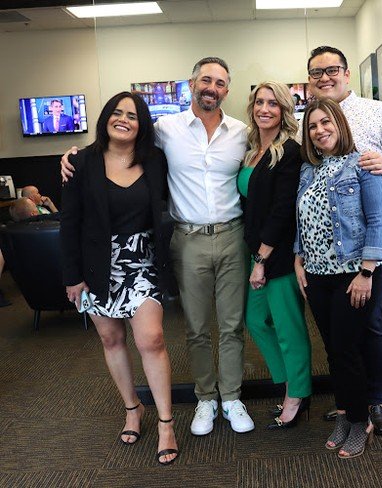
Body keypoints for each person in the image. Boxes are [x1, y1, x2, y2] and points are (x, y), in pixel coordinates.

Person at [61, 57, 254, 437]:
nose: (211, 88)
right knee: (196, 327)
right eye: (205, 80)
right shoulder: (166, 130)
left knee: (232, 325)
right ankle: (205, 398)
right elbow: (114, 143)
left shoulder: (241, 132)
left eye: (220, 82)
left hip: (232, 234)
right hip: (187, 239)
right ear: (192, 84)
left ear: (227, 90)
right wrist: (72, 156)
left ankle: (231, 397)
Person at [303, 46, 382, 434]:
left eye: (332, 70)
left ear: (347, 73)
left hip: (376, 240)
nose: (324, 77)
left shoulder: (378, 112)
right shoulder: (310, 121)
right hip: (329, 252)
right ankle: (351, 401)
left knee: (369, 320)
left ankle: (375, 400)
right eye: (316, 72)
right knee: (339, 330)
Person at [60, 91, 178, 465]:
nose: (123, 119)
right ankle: (132, 408)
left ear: (142, 125)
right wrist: (72, 276)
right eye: (117, 112)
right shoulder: (80, 162)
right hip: (96, 266)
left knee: (151, 339)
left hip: (143, 263)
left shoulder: (155, 159)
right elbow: (69, 223)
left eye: (132, 115)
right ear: (106, 117)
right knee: (111, 339)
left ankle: (166, 423)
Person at [295, 97, 382, 458]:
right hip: (316, 275)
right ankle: (346, 415)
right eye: (312, 126)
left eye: (326, 122)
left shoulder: (363, 163)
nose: (320, 130)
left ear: (339, 124)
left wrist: (367, 272)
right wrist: (299, 257)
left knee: (347, 349)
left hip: (353, 275)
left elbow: (378, 221)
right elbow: (302, 219)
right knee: (333, 350)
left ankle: (361, 421)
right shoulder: (309, 170)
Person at [237, 81, 312, 429]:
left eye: (273, 104)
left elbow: (282, 210)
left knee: (287, 327)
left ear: (284, 111)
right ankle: (290, 384)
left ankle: (297, 394)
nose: (264, 109)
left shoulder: (290, 151)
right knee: (255, 321)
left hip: (277, 254)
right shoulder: (251, 150)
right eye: (259, 102)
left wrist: (262, 260)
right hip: (255, 251)